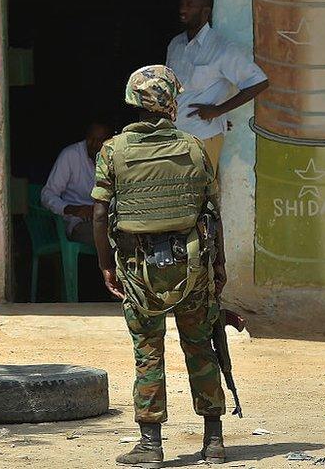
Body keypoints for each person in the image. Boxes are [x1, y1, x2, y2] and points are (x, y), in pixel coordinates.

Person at [92, 65, 228, 466]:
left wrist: (106, 265)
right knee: (201, 347)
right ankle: (214, 441)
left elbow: (100, 215)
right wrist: (219, 266)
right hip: (192, 268)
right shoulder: (193, 147)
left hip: (138, 269)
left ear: (134, 102)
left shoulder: (113, 151)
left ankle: (151, 445)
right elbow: (213, 214)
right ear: (171, 103)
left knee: (148, 352)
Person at [166, 0, 269, 175]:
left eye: (190, 5)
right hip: (174, 136)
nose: (182, 9)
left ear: (206, 11)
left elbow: (258, 82)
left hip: (203, 137)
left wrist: (218, 111)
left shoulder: (221, 47)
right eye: (182, 4)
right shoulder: (175, 44)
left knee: (200, 197)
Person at [41, 121, 114, 243]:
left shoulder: (114, 157)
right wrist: (72, 209)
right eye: (91, 139)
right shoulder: (70, 155)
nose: (94, 144)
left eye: (100, 140)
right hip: (77, 222)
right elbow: (47, 194)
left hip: (107, 220)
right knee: (106, 238)